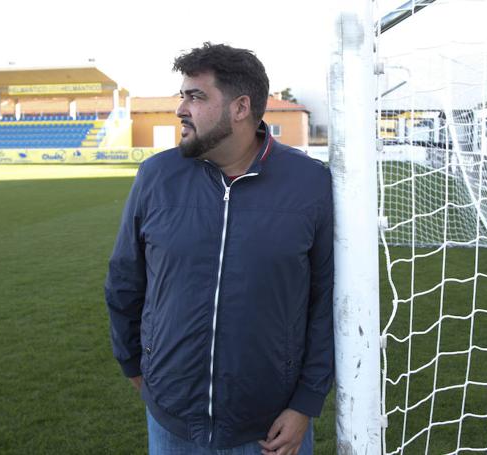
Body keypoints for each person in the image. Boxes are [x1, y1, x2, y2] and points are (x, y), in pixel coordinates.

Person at [105, 42, 334, 455]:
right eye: (182, 95)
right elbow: (124, 280)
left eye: (196, 96)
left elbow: (326, 301)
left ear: (240, 107)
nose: (180, 109)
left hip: (271, 427)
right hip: (171, 421)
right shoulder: (156, 176)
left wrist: (305, 403)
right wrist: (135, 364)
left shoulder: (311, 184)